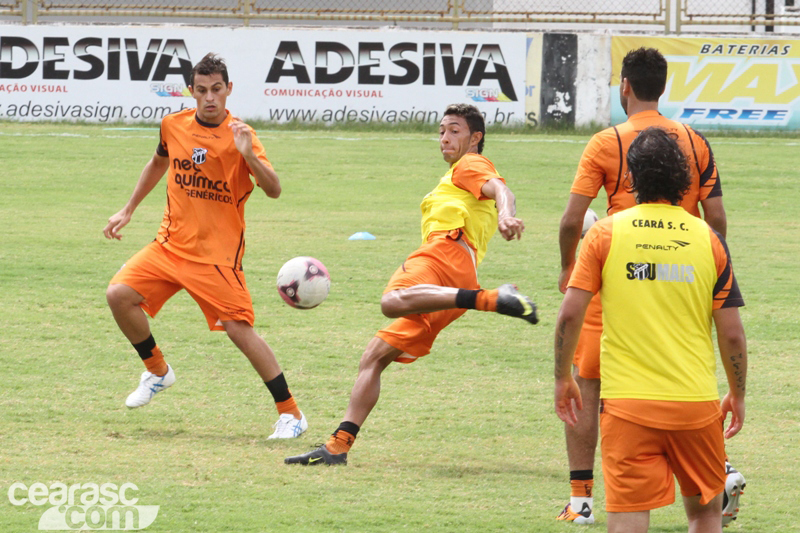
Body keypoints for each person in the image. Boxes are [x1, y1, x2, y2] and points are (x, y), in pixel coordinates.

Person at [284, 103, 538, 466]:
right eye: (441, 131)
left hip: (444, 254)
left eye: (454, 130)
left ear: (475, 138)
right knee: (374, 356)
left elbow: (501, 189)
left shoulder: (470, 163)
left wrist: (507, 215)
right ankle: (337, 448)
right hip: (453, 278)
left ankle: (490, 299)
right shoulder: (458, 175)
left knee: (391, 300)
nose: (445, 137)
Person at [556, 47, 745, 525]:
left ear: (624, 86)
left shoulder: (607, 142)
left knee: (588, 382)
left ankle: (581, 499)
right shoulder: (695, 141)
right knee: (685, 370)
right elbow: (718, 216)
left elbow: (572, 220)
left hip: (615, 269)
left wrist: (568, 268)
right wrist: (709, 263)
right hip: (687, 270)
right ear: (663, 87)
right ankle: (718, 469)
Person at [103, 53, 308, 439]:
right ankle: (158, 371)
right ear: (191, 91)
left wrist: (248, 155)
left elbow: (274, 189)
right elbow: (158, 162)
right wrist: (128, 209)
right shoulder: (173, 124)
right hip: (169, 246)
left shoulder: (243, 135)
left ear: (229, 89)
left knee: (239, 331)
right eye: (202, 90)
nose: (210, 97)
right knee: (119, 295)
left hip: (216, 257)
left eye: (216, 89)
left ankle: (291, 414)